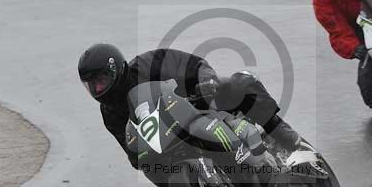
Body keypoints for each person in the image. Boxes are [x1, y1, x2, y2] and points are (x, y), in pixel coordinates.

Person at [78, 43, 301, 172]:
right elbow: (132, 151)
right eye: (92, 85)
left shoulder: (148, 64)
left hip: (200, 109)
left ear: (116, 70)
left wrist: (207, 82)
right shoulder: (110, 114)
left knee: (234, 84)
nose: (98, 88)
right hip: (172, 143)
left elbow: (194, 65)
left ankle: (278, 130)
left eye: (101, 80)